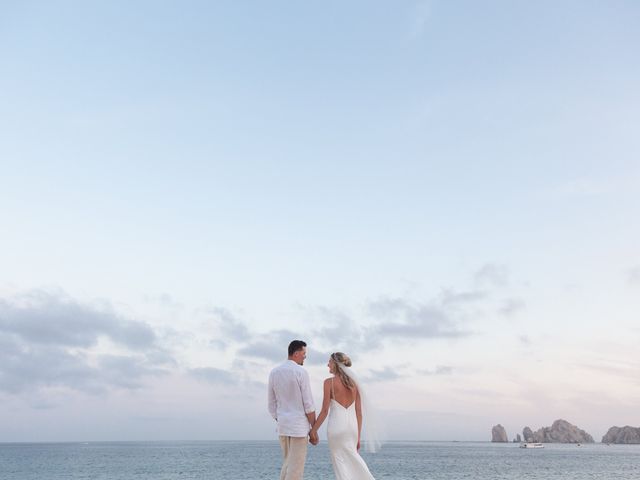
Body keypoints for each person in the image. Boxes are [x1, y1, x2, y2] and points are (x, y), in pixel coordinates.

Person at [309, 352, 377, 480]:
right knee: (354, 459)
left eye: (329, 362)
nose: (327, 364)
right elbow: (359, 412)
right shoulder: (355, 384)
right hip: (352, 428)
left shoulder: (328, 382)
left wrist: (313, 431)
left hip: (336, 427)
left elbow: (324, 411)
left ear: (335, 364)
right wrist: (358, 436)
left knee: (340, 463)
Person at [268, 340, 318, 480]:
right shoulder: (301, 372)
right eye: (304, 354)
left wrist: (281, 418)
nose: (305, 357)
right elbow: (308, 404)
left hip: (283, 426)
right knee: (295, 469)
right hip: (298, 428)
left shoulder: (274, 372)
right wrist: (313, 429)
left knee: (287, 464)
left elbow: (271, 405)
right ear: (296, 353)